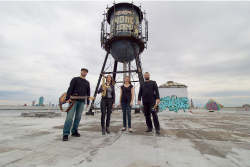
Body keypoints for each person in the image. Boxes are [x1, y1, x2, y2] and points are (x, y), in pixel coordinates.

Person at [62, 68, 90, 141]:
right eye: (83, 71)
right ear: (81, 71)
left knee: (78, 117)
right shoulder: (75, 79)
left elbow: (88, 93)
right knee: (69, 117)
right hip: (73, 101)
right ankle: (65, 133)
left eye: (85, 71)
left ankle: (74, 131)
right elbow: (70, 88)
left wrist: (88, 102)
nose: (84, 72)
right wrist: (67, 98)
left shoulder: (87, 82)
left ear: (86, 73)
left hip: (82, 102)